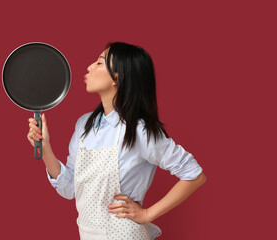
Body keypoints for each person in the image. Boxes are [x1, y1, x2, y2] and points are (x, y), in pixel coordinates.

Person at [27, 42, 207, 240]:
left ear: (117, 77)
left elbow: (194, 174)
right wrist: (45, 149)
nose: (89, 67)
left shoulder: (139, 131)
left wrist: (148, 214)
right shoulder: (84, 125)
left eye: (99, 63)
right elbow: (70, 189)